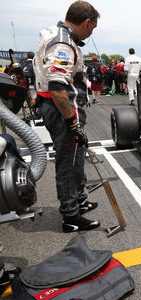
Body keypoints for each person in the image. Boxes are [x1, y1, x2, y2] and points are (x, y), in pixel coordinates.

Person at [33, 0, 100, 232]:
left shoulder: (62, 36)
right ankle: (71, 216)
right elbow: (57, 87)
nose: (91, 33)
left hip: (64, 109)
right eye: (92, 29)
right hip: (62, 111)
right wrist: (72, 121)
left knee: (76, 158)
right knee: (68, 164)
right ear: (87, 22)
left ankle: (78, 200)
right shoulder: (63, 43)